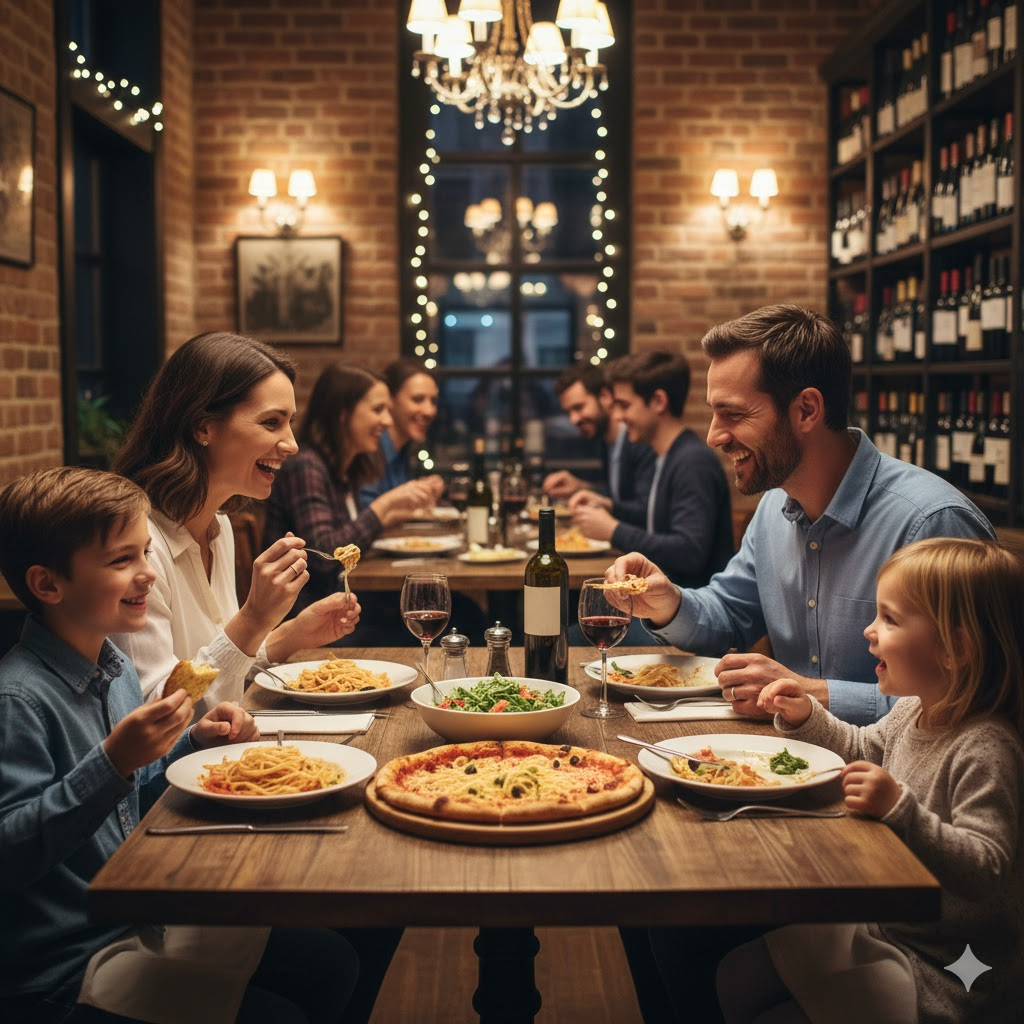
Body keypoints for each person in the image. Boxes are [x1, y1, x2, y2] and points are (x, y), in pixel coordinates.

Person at [0, 467, 357, 1024]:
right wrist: (114, 761)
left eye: (146, 553)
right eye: (122, 561)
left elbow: (125, 802)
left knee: (331, 962)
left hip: (139, 918)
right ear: (48, 584)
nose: (147, 575)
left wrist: (190, 742)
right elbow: (12, 854)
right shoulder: (18, 698)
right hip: (65, 968)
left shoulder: (114, 669)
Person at [608, 305, 995, 727]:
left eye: (733, 414)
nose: (714, 435)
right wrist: (668, 603)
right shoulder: (774, 508)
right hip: (783, 761)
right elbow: (731, 616)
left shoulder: (932, 523)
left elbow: (979, 698)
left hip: (894, 784)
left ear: (807, 410)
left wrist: (814, 696)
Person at [714, 538, 1024, 1024]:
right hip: (887, 928)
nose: (869, 631)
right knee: (735, 976)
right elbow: (861, 748)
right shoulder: (912, 711)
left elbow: (987, 868)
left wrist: (902, 810)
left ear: (956, 648)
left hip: (946, 967)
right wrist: (804, 716)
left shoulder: (985, 747)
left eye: (890, 619)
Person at [110, 331, 361, 716]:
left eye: (290, 422)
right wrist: (254, 617)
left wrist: (287, 634)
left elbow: (216, 670)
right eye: (272, 422)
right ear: (202, 426)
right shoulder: (137, 547)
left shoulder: (219, 527)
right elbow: (156, 711)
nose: (292, 444)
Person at [264, 363, 448, 643]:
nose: (387, 422)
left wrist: (389, 512)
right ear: (343, 414)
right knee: (458, 615)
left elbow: (348, 538)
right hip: (310, 620)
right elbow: (326, 556)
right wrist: (383, 506)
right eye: (378, 410)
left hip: (339, 607)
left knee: (458, 609)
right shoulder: (307, 466)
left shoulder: (344, 467)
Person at [570, 350, 734, 589]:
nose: (617, 416)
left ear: (658, 401)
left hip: (689, 613)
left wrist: (614, 530)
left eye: (624, 405)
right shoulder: (665, 455)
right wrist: (610, 506)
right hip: (661, 607)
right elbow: (656, 520)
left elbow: (689, 553)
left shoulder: (692, 462)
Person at [542, 363, 655, 521]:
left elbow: (646, 512)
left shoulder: (639, 441)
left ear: (605, 397)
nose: (573, 419)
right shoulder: (605, 441)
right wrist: (580, 487)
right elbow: (617, 497)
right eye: (568, 412)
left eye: (579, 407)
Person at [359, 357, 444, 506]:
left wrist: (422, 491)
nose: (429, 411)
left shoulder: (403, 450)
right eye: (418, 399)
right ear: (390, 400)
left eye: (433, 401)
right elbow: (365, 513)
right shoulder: (372, 448)